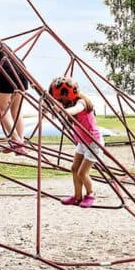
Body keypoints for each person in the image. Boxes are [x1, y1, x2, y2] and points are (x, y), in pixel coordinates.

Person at [49, 77, 103, 209]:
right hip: (82, 142)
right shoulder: (70, 103)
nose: (61, 102)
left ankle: (90, 194)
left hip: (93, 142)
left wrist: (63, 111)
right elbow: (54, 103)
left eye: (61, 99)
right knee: (74, 169)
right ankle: (77, 196)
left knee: (82, 172)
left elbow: (76, 110)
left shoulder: (81, 102)